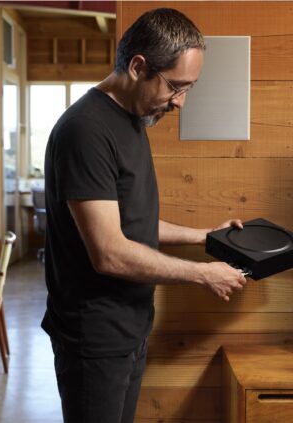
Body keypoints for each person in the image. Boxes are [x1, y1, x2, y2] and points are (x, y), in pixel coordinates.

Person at [42, 8, 247, 423]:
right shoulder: (86, 131)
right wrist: (203, 274)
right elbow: (109, 252)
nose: (181, 101)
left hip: (129, 328)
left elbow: (130, 222)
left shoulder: (133, 118)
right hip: (94, 339)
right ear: (138, 67)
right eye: (176, 87)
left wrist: (205, 236)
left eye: (189, 88)